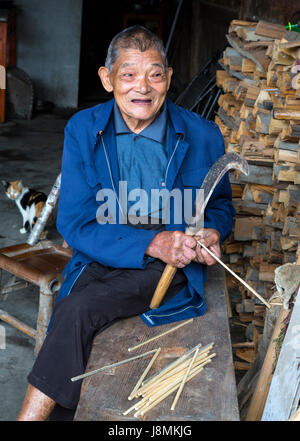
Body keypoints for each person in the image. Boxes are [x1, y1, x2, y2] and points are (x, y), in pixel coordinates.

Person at [17, 25, 235, 421]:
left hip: (168, 266)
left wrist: (212, 231)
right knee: (72, 316)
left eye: (154, 73)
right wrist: (150, 242)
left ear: (168, 78)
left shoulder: (203, 134)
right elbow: (77, 221)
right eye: (129, 74)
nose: (143, 87)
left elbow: (219, 205)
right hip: (100, 252)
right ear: (107, 79)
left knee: (78, 311)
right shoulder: (84, 129)